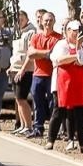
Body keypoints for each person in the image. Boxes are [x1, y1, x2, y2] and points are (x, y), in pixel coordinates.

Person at [47, 20, 83, 152]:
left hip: (81, 84)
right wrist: (78, 57)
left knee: (81, 114)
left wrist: (82, 57)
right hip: (63, 84)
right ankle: (50, 140)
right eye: (73, 30)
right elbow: (58, 59)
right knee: (59, 111)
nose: (76, 33)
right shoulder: (62, 44)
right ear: (67, 31)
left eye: (78, 30)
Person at [25, 10, 61, 138]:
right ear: (41, 21)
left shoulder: (59, 38)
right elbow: (30, 54)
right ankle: (38, 128)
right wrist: (47, 53)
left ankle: (53, 131)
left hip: (53, 75)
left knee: (53, 104)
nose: (48, 22)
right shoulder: (36, 37)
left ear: (54, 21)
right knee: (37, 103)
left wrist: (38, 53)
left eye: (50, 20)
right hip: (38, 74)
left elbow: (56, 55)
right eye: (46, 20)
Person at [10, 9, 35, 135]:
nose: (19, 21)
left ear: (26, 18)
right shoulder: (17, 33)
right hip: (14, 69)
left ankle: (29, 126)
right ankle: (23, 125)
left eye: (21, 18)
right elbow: (15, 53)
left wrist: (23, 70)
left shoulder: (31, 32)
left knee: (22, 98)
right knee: (17, 99)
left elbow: (30, 55)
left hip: (24, 70)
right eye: (17, 19)